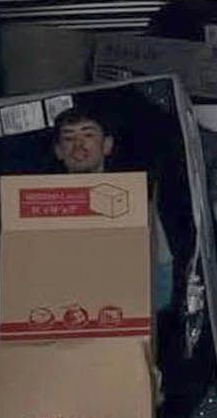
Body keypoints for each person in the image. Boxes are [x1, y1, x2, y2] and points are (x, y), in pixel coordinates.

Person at [50, 106, 173, 311]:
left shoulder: (134, 203)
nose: (79, 145)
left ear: (107, 145)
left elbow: (162, 271)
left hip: (123, 321)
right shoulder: (40, 206)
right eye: (69, 138)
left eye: (88, 135)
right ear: (58, 151)